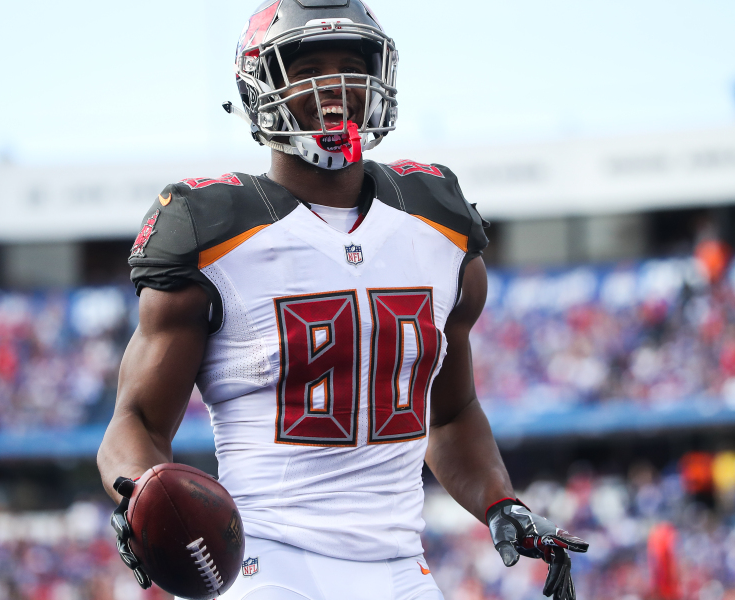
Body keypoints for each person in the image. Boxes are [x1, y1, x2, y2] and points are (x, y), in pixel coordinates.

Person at [96, 1, 587, 598]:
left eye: (352, 65)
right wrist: (141, 494)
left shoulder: (438, 223)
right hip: (267, 563)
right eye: (308, 69)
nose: (335, 86)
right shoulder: (210, 231)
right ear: (262, 85)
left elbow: (450, 414)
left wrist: (500, 502)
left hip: (402, 566)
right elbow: (137, 421)